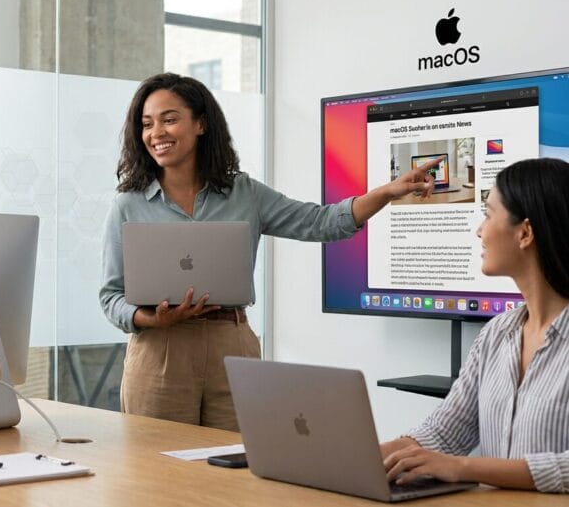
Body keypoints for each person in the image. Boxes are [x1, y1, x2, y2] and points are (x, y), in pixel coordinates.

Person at [100, 73, 439, 430]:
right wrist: (151, 319)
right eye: (147, 124)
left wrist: (384, 193)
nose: (157, 133)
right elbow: (110, 297)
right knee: (158, 476)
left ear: (200, 124)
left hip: (231, 344)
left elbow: (321, 222)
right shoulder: (127, 205)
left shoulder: (243, 193)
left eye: (169, 119)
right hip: (159, 350)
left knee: (237, 468)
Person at [381, 157, 569, 493]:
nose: (479, 230)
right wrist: (358, 458)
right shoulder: (497, 334)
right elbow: (443, 433)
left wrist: (464, 467)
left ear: (525, 232)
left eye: (487, 214)